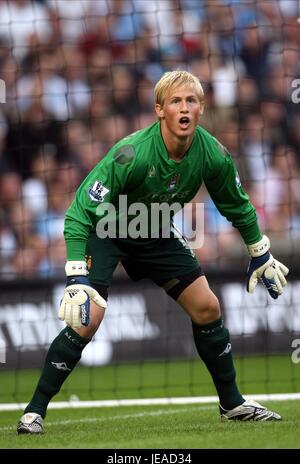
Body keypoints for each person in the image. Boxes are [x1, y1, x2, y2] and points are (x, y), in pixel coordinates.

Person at [17, 70, 289, 434]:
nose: (184, 108)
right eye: (175, 101)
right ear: (160, 109)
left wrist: (260, 252)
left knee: (208, 307)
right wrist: (76, 275)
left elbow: (236, 204)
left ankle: (232, 404)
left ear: (201, 109)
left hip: (154, 228)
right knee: (86, 319)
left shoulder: (213, 155)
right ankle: (34, 412)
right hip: (108, 228)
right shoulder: (131, 154)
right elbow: (79, 212)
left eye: (191, 101)